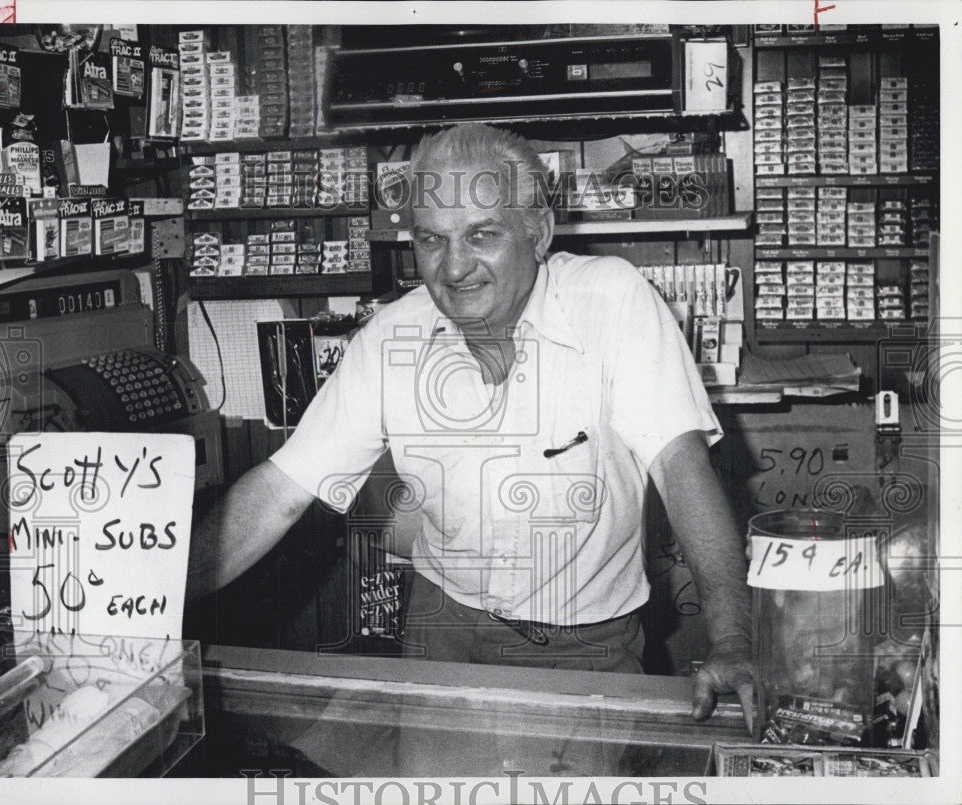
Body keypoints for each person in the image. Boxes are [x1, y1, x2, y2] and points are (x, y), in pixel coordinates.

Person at [186, 123, 754, 771]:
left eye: (482, 234)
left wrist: (732, 639)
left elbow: (681, 466)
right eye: (432, 239)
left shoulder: (612, 301)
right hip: (440, 628)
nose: (453, 268)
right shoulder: (391, 338)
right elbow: (281, 492)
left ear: (537, 232)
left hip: (581, 645)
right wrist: (163, 600)